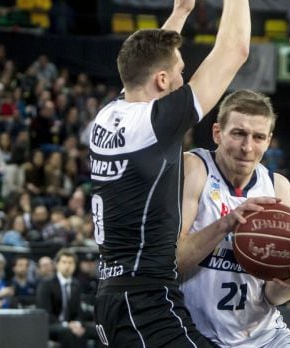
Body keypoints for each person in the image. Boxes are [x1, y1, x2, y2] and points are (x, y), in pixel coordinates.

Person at [90, 0, 252, 345]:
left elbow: (146, 62)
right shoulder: (155, 123)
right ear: (162, 81)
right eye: (180, 71)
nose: (184, 77)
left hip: (118, 294)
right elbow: (235, 50)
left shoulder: (109, 115)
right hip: (145, 300)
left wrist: (180, 12)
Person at [177, 90, 290, 347]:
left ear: (269, 141)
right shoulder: (194, 168)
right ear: (217, 133)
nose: (247, 147)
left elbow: (274, 296)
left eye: (258, 137)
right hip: (197, 335)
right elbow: (172, 261)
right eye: (238, 133)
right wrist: (227, 223)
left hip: (265, 336)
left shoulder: (277, 187)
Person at [36, 249, 95, 348]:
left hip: (70, 324)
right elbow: (45, 312)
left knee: (97, 330)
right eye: (64, 262)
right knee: (68, 332)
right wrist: (67, 325)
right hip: (51, 324)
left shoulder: (76, 284)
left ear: (75, 266)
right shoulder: (47, 284)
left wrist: (77, 323)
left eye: (71, 263)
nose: (67, 266)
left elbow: (79, 311)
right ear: (57, 265)